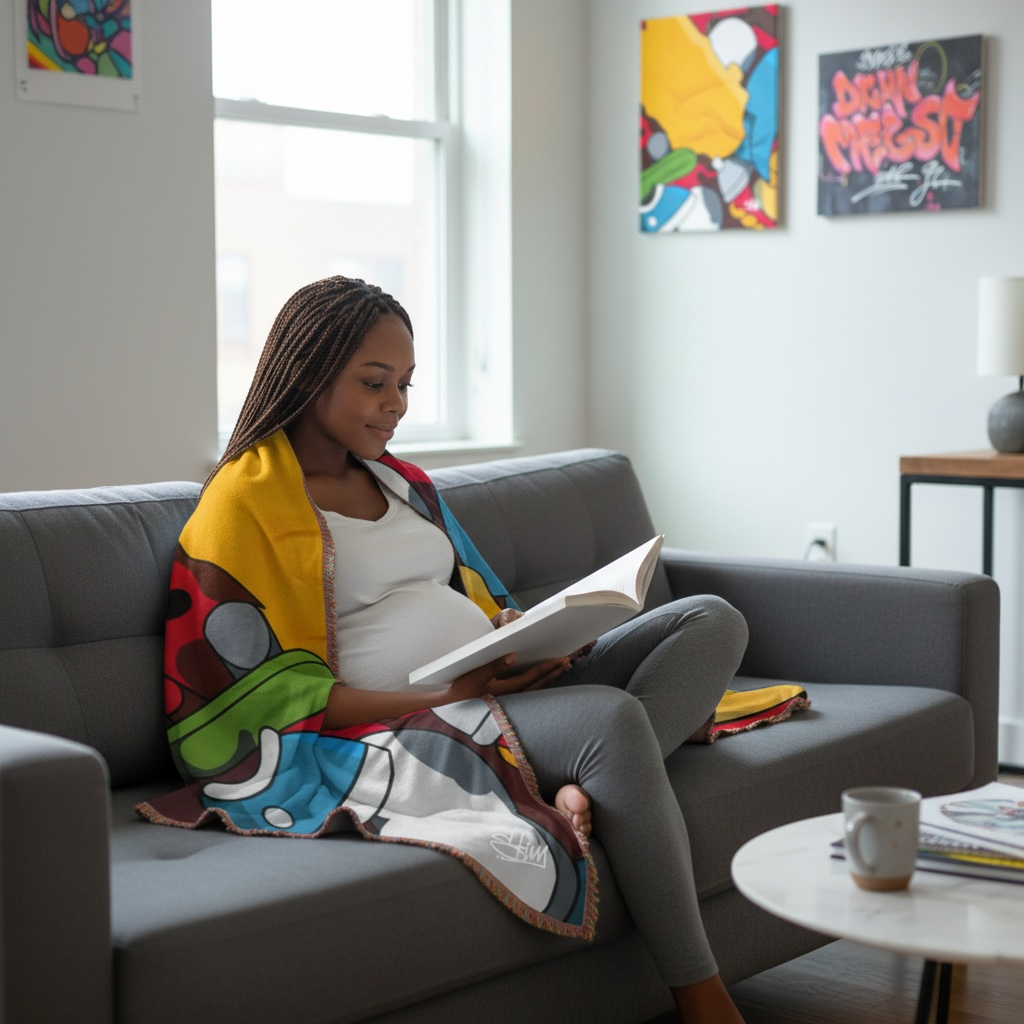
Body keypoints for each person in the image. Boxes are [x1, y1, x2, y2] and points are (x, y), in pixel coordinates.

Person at [170, 276, 749, 1023]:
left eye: (405, 384)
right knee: (612, 718)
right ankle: (704, 1000)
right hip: (410, 723)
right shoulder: (243, 502)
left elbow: (474, 592)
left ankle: (579, 783)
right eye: (374, 382)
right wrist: (447, 695)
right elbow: (263, 694)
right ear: (309, 375)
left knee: (710, 620)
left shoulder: (403, 483)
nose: (396, 404)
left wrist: (529, 633)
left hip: (499, 690)